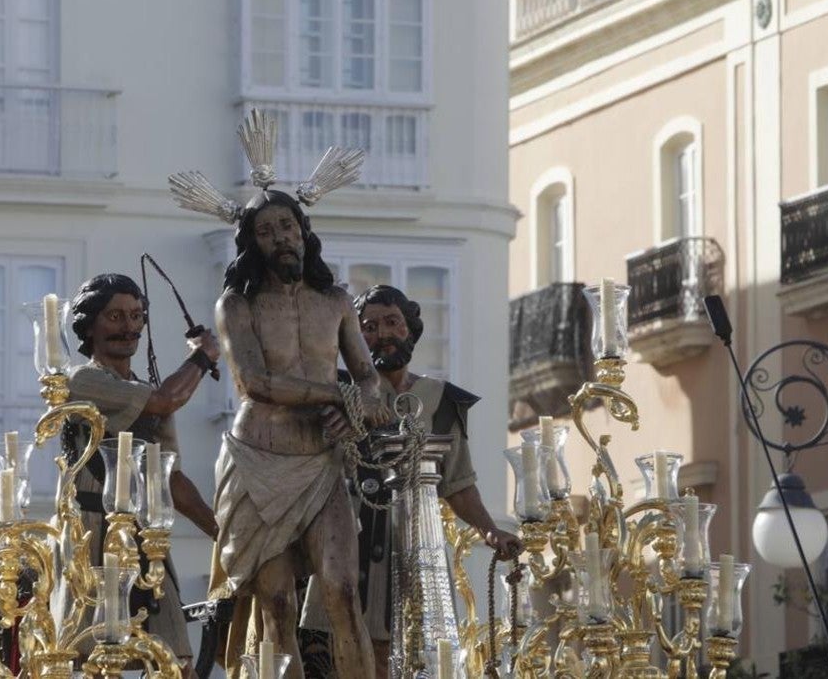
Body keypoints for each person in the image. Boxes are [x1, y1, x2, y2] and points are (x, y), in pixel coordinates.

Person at [207, 189, 392, 679]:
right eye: (265, 232)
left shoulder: (335, 303)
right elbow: (255, 382)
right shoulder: (237, 305)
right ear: (252, 244)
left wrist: (358, 405)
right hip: (258, 460)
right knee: (277, 603)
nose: (280, 239)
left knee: (342, 590)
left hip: (320, 462)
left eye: (286, 226)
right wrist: (335, 397)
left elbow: (369, 381)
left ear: (302, 231)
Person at [326, 284, 523, 676]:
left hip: (416, 545)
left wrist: (490, 531)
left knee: (413, 652)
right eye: (369, 326)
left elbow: (459, 485)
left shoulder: (442, 401)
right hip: (346, 540)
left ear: (411, 329)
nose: (382, 333)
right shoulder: (339, 394)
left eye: (392, 322)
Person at [64, 273, 220, 678]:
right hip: (92, 536)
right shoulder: (83, 381)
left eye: (136, 316)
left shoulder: (146, 394)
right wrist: (203, 356)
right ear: (90, 325)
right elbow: (167, 399)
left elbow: (173, 482)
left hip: (145, 541)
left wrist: (224, 535)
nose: (129, 327)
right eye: (115, 316)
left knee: (176, 661)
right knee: (86, 660)